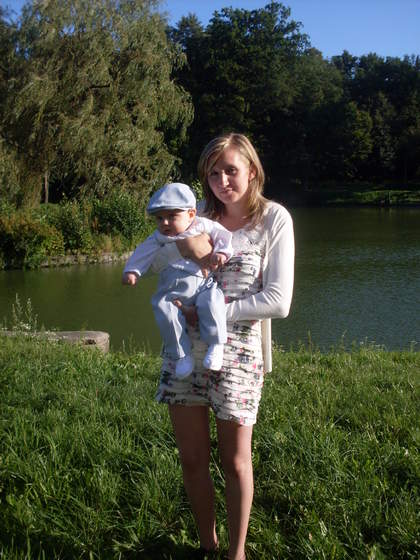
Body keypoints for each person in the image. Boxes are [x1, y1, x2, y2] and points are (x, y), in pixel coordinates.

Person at [151, 134, 294, 560]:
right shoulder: (193, 217)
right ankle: (207, 545)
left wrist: (214, 313)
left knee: (235, 461)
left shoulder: (273, 219)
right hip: (183, 355)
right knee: (192, 459)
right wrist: (183, 251)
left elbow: (278, 301)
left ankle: (236, 553)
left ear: (252, 170)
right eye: (213, 173)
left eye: (231, 170)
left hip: (239, 357)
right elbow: (158, 265)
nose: (222, 181)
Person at [122, 182, 233, 378]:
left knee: (213, 300)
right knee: (163, 309)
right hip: (172, 291)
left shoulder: (201, 225)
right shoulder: (158, 237)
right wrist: (133, 271)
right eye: (159, 218)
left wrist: (221, 253)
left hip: (202, 285)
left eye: (172, 216)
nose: (164, 223)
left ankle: (216, 345)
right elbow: (142, 253)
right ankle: (181, 355)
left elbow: (222, 235)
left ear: (191, 214)